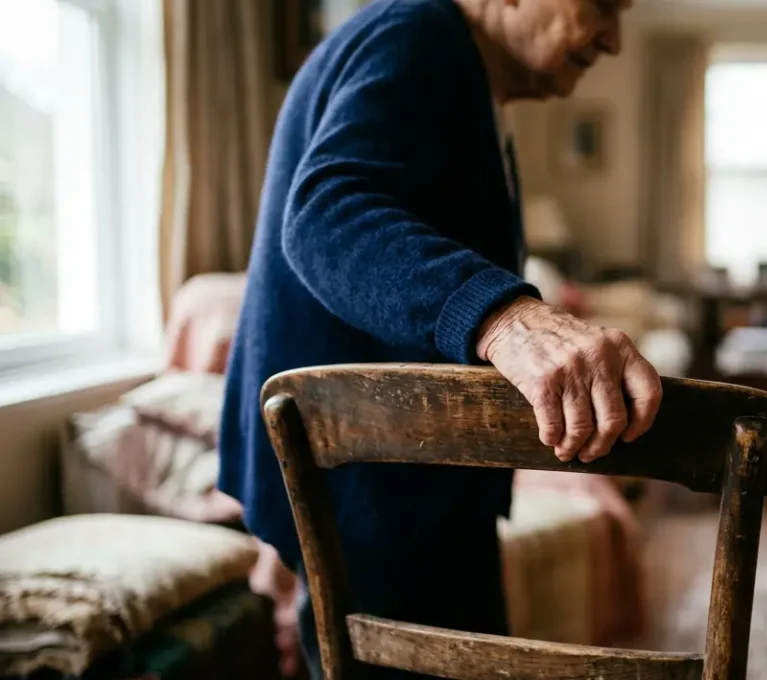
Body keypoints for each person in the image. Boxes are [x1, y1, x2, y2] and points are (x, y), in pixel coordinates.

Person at [215, 0, 656, 677]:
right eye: (602, 4)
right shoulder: (418, 31)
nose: (614, 40)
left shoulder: (457, 67)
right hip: (376, 493)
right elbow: (327, 216)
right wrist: (509, 319)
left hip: (408, 487)